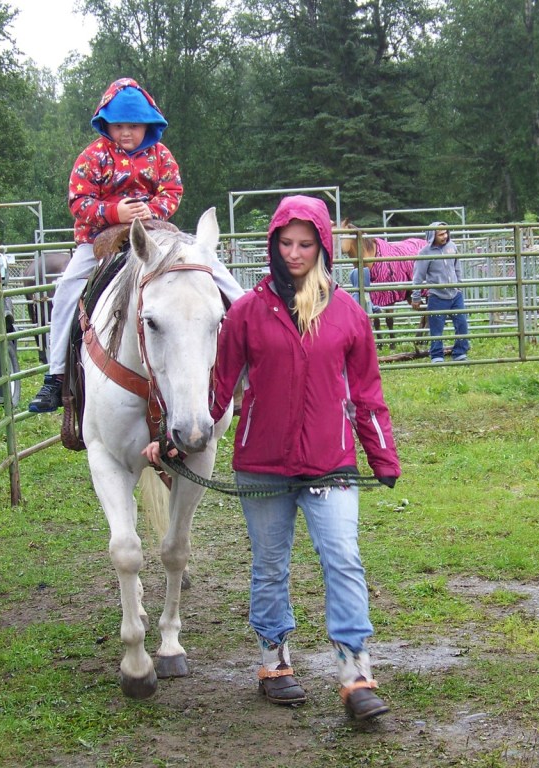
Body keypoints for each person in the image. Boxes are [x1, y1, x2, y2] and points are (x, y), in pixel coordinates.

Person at [144, 195, 401, 720]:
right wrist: (176, 442)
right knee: (269, 566)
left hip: (331, 464)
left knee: (344, 561)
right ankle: (274, 661)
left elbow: (367, 393)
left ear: (323, 245)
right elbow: (217, 393)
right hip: (262, 464)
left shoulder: (349, 315)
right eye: (285, 243)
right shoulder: (244, 313)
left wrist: (382, 456)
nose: (295, 253)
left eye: (305, 244)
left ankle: (356, 672)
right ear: (273, 245)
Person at [29, 77, 243, 412]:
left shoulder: (161, 155)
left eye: (133, 125)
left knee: (212, 268)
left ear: (147, 125)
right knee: (67, 289)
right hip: (99, 238)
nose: (125, 132)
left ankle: (246, 348)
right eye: (117, 126)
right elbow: (79, 199)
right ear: (107, 125)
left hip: (156, 231)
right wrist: (114, 211)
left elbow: (172, 191)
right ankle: (56, 376)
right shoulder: (93, 156)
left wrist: (151, 209)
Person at [411, 222, 469, 363]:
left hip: (455, 293)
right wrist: (416, 296)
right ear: (432, 236)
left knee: (462, 323)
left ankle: (460, 351)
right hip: (437, 295)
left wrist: (459, 285)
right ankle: (436, 355)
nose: (445, 236)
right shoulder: (425, 253)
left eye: (446, 232)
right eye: (441, 234)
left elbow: (457, 267)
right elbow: (418, 276)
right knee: (436, 328)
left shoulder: (452, 246)